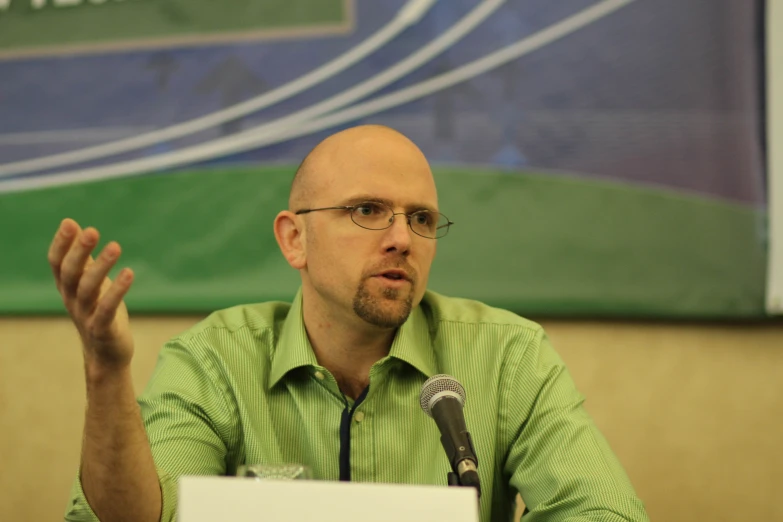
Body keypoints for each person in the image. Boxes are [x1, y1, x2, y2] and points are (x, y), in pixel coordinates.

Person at [56, 125, 649, 522]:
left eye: (421, 218)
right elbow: (142, 517)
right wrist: (107, 371)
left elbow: (603, 512)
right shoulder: (215, 358)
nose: (400, 239)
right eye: (367, 211)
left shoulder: (507, 355)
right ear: (295, 238)